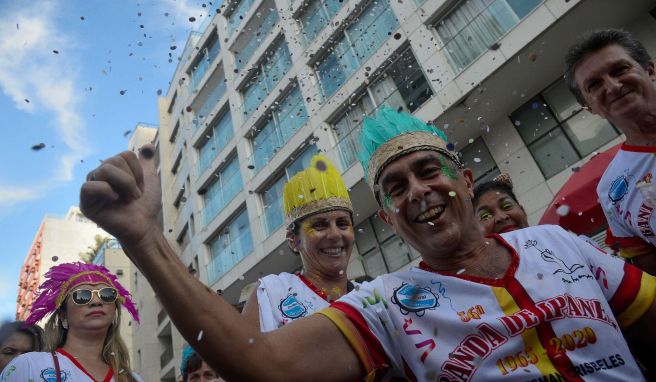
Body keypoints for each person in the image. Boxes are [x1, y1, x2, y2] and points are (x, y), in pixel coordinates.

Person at [79, 107, 656, 381]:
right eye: (395, 187)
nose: (418, 192)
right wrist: (145, 239)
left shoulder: (562, 245)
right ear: (388, 214)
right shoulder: (386, 303)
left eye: (429, 171)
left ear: (466, 179)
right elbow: (260, 363)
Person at [565, 28, 656, 274]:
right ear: (588, 107)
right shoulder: (610, 192)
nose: (613, 86)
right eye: (594, 85)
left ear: (649, 70)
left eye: (620, 70)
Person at [242, 155, 355, 331]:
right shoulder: (272, 292)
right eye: (319, 225)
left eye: (342, 224)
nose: (334, 234)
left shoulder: (374, 296)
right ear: (293, 240)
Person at [0, 262, 142, 382]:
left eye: (106, 294)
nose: (97, 301)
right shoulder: (29, 366)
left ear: (115, 310)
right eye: (82, 296)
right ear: (63, 315)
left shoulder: (132, 378)